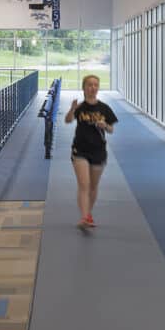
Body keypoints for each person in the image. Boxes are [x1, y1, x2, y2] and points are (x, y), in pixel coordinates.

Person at [64, 75, 117, 229]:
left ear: (98, 88)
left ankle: (88, 213)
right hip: (80, 150)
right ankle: (84, 217)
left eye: (95, 85)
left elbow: (112, 129)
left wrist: (105, 125)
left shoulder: (104, 108)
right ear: (84, 87)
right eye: (89, 85)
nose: (92, 88)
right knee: (84, 184)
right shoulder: (80, 107)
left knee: (93, 186)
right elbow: (68, 120)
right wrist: (72, 109)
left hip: (99, 151)